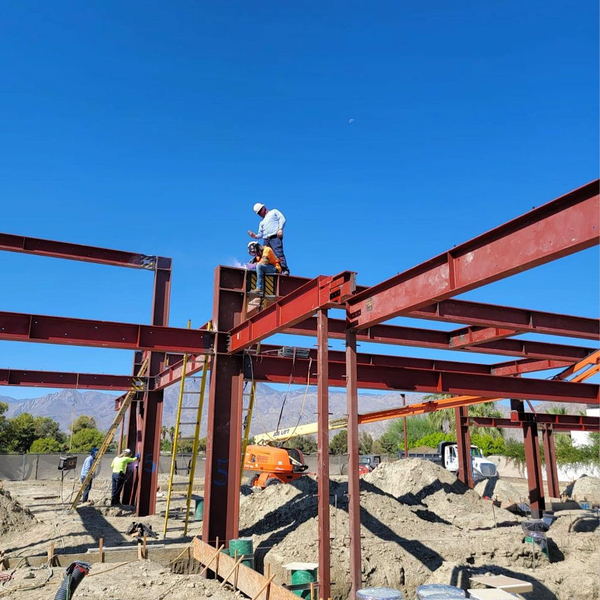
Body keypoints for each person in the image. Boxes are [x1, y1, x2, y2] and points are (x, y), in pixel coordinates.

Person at [248, 203, 290, 275]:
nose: (260, 214)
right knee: (263, 253)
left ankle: (284, 269)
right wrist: (254, 236)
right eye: (258, 213)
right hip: (266, 239)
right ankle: (257, 264)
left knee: (278, 253)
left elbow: (282, 219)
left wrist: (280, 229)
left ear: (264, 208)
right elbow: (260, 234)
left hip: (274, 237)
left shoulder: (273, 212)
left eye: (260, 211)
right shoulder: (262, 222)